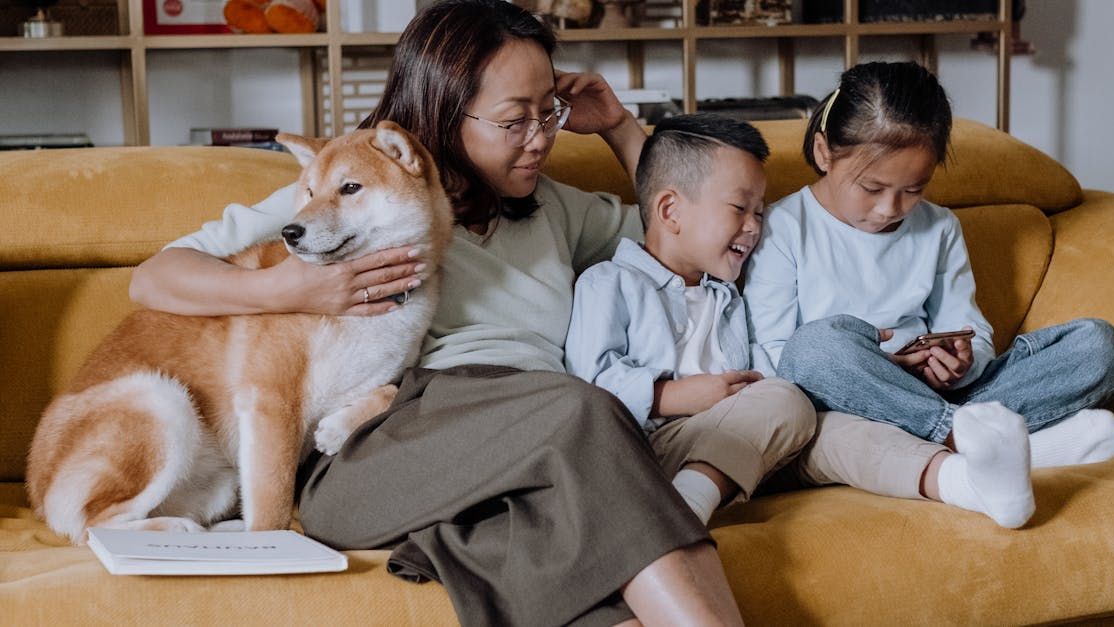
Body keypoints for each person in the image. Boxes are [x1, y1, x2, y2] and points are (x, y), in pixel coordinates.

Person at [129, 1, 744, 625]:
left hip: (524, 455)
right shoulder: (351, 191)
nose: (541, 139)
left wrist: (620, 127)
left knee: (608, 598)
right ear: (447, 111)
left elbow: (688, 230)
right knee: (582, 409)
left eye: (547, 113)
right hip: (382, 445)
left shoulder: (556, 209)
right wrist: (290, 291)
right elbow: (155, 279)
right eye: (514, 120)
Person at [743, 61, 1114, 529]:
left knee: (1099, 345)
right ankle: (968, 439)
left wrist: (964, 358)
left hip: (936, 395)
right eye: (872, 187)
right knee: (817, 346)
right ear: (825, 152)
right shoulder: (785, 228)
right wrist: (886, 369)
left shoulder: (939, 227)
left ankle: (964, 437)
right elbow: (780, 359)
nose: (890, 209)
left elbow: (971, 326)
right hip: (847, 404)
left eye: (913, 189)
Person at [565, 113, 818, 526]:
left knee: (825, 425)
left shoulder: (728, 296)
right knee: (787, 402)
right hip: (653, 444)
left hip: (738, 432)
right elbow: (589, 388)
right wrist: (678, 396)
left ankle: (945, 476)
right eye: (740, 208)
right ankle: (686, 507)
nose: (754, 227)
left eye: (760, 211)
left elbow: (761, 369)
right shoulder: (608, 282)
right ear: (670, 210)